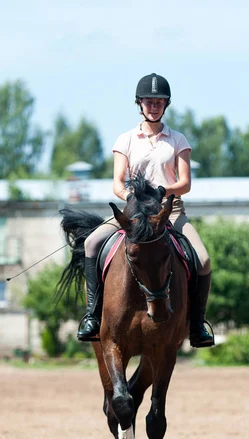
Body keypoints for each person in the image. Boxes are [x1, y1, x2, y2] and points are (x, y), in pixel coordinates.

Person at [77, 72, 214, 348]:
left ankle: (197, 324)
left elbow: (185, 182)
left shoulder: (178, 140)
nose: (154, 106)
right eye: (149, 102)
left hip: (169, 212)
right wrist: (132, 198)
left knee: (203, 259)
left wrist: (164, 191)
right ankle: (93, 315)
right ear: (139, 103)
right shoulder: (125, 140)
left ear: (166, 105)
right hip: (134, 213)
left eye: (159, 102)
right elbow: (117, 183)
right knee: (92, 243)